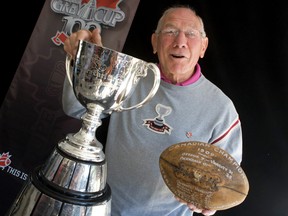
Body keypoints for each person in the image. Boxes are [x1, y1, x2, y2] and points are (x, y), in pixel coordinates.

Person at [62, 5, 242, 216]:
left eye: (191, 34)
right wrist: (84, 61)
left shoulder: (221, 109)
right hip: (100, 209)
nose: (180, 41)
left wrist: (209, 204)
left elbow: (227, 182)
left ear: (203, 47)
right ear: (155, 42)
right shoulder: (129, 76)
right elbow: (75, 109)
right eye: (170, 31)